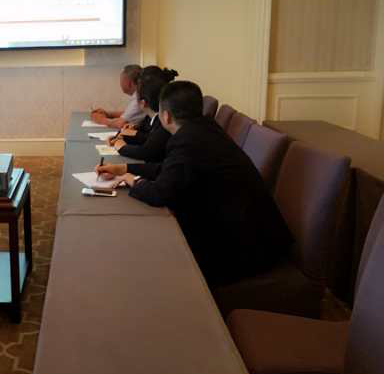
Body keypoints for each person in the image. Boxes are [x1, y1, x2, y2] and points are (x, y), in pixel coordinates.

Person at [95, 81, 292, 284]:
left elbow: (160, 193)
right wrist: (125, 168)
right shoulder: (205, 128)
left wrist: (132, 180)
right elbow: (171, 170)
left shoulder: (187, 141)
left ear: (166, 116)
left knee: (149, 258)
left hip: (244, 248)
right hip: (255, 233)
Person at [108, 67, 178, 162]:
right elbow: (146, 137)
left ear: (142, 103)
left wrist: (121, 147)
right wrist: (121, 136)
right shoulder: (150, 118)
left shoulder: (163, 122)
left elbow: (147, 151)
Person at [90, 64, 145, 129]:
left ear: (128, 83)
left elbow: (119, 124)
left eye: (121, 80)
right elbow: (128, 114)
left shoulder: (138, 98)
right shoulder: (139, 94)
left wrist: (100, 119)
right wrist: (108, 114)